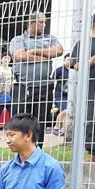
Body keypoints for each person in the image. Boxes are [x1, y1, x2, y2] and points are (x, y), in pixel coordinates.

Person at [9, 11, 63, 148]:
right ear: (32, 22)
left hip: (44, 87)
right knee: (21, 122)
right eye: (41, 22)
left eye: (44, 22)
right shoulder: (18, 40)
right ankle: (22, 151)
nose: (44, 25)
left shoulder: (50, 38)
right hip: (23, 87)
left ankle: (37, 151)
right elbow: (20, 56)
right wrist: (46, 56)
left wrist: (33, 52)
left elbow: (59, 50)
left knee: (40, 122)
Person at [69, 10, 95, 161]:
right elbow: (75, 65)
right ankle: (94, 153)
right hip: (90, 89)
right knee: (90, 122)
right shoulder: (83, 43)